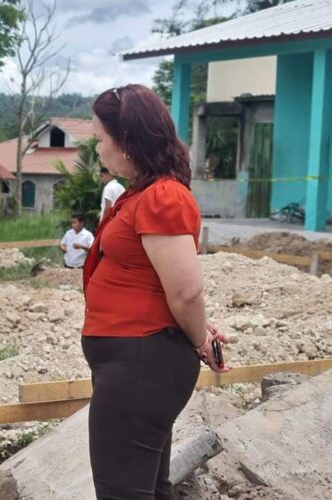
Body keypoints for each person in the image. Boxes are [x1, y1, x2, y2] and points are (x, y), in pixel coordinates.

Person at [81, 84, 231, 500]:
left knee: (123, 492)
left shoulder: (162, 196)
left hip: (141, 366)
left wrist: (202, 339)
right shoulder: (142, 194)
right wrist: (197, 332)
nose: (97, 150)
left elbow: (186, 291)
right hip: (137, 363)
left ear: (126, 140)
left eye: (100, 139)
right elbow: (166, 287)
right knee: (149, 488)